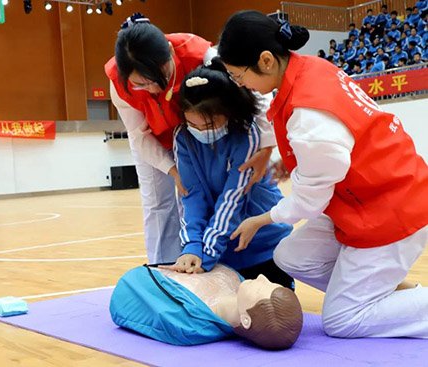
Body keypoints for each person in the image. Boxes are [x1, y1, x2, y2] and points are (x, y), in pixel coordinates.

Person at [218, 10, 428, 339]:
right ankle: (380, 290)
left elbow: (310, 200)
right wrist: (294, 161)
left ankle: (376, 300)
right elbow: (335, 140)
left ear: (266, 61)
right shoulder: (309, 68)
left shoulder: (307, 111)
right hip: (367, 196)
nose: (239, 83)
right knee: (292, 256)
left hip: (390, 209)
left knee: (342, 321)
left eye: (237, 74)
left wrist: (262, 219)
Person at [105, 13, 273, 263]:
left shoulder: (201, 54)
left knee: (205, 195)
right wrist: (171, 170)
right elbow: (138, 135)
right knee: (157, 204)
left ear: (170, 52)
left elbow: (255, 93)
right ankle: (164, 265)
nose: (153, 89)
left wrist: (268, 146)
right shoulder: (118, 83)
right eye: (141, 84)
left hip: (201, 133)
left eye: (156, 79)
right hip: (158, 139)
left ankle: (204, 252)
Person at [162, 60, 294, 289]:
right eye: (194, 125)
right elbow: (191, 195)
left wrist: (207, 253)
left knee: (268, 312)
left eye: (209, 125)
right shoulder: (183, 138)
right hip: (222, 246)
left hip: (263, 242)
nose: (201, 132)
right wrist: (193, 246)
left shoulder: (247, 135)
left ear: (229, 113)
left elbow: (233, 199)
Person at [109, 263, 303, 349]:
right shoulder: (237, 283)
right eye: (269, 282)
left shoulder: (187, 323)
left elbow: (128, 288)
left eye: (262, 288)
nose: (261, 277)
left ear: (246, 318)